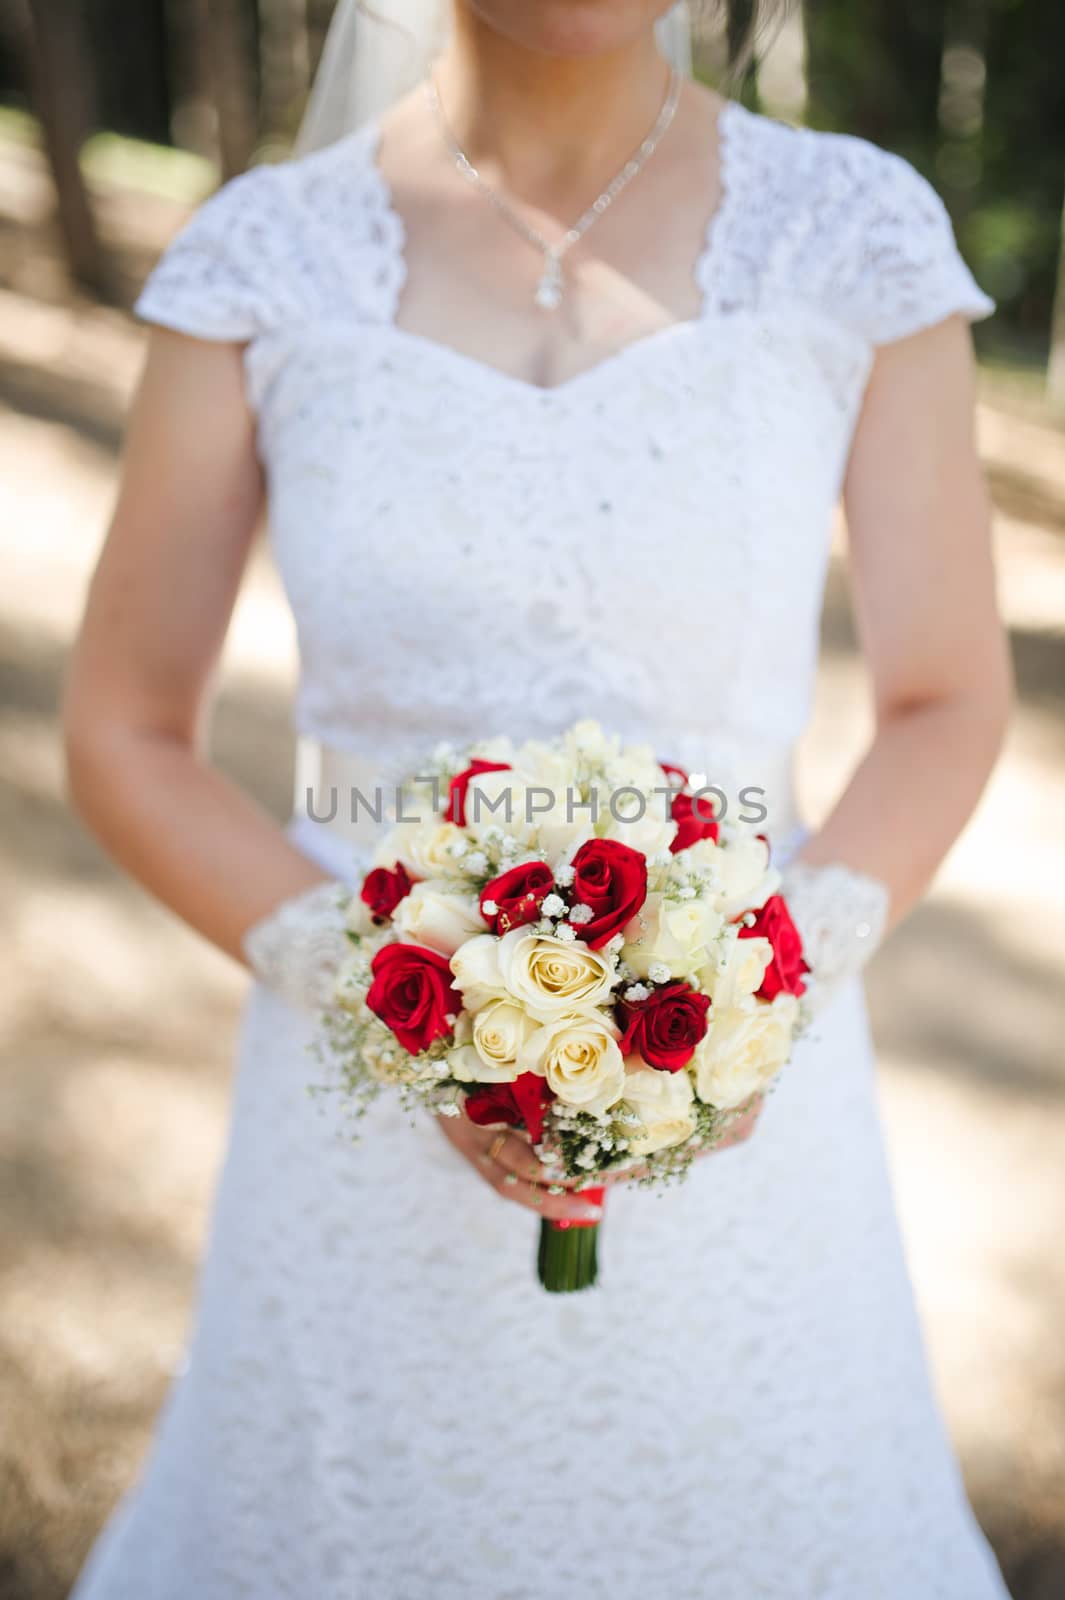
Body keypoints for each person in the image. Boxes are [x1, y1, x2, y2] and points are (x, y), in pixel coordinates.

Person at [64, 2, 1013, 1595]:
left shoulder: (852, 230)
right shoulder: (264, 257)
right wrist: (376, 992)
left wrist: (750, 990)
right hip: (355, 1095)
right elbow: (123, 727)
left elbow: (943, 698)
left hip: (743, 1091)